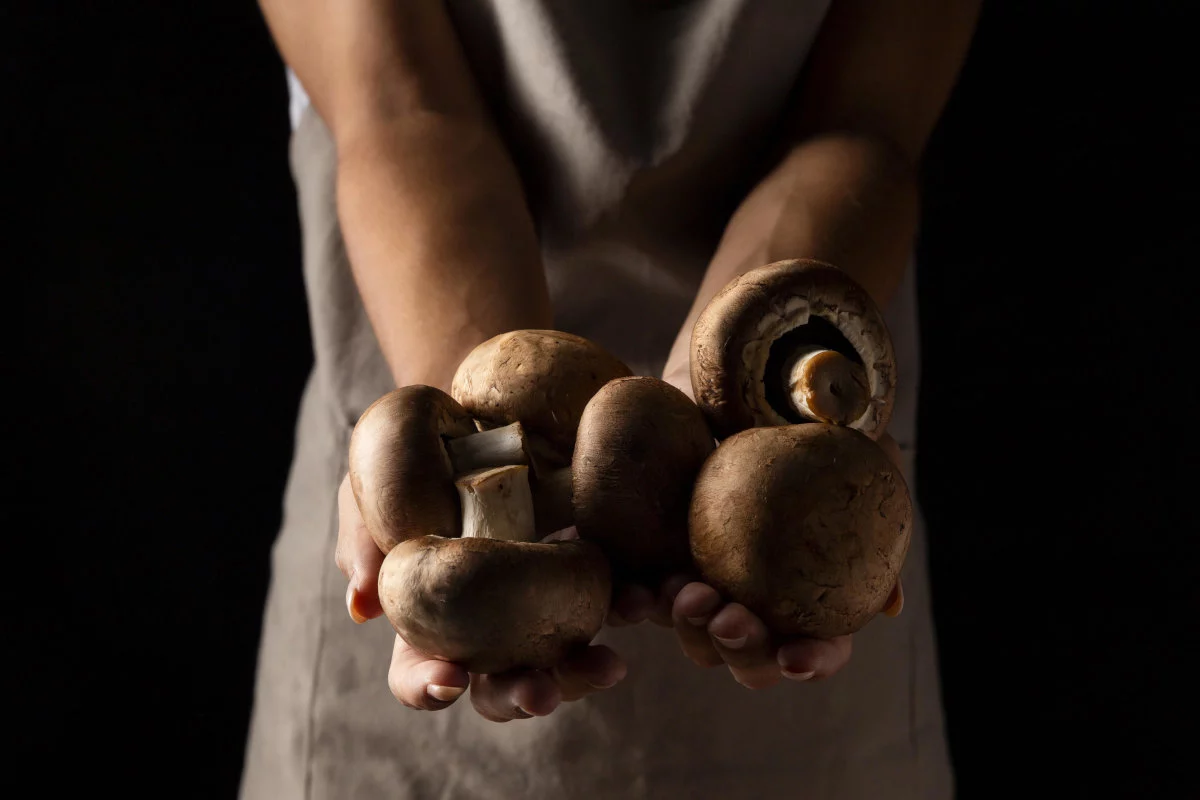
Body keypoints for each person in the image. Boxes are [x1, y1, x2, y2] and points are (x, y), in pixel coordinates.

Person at [241, 1, 979, 797]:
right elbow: (400, 107)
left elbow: (865, 121)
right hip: (426, 435)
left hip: (785, 547)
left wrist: (719, 417)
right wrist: (482, 461)